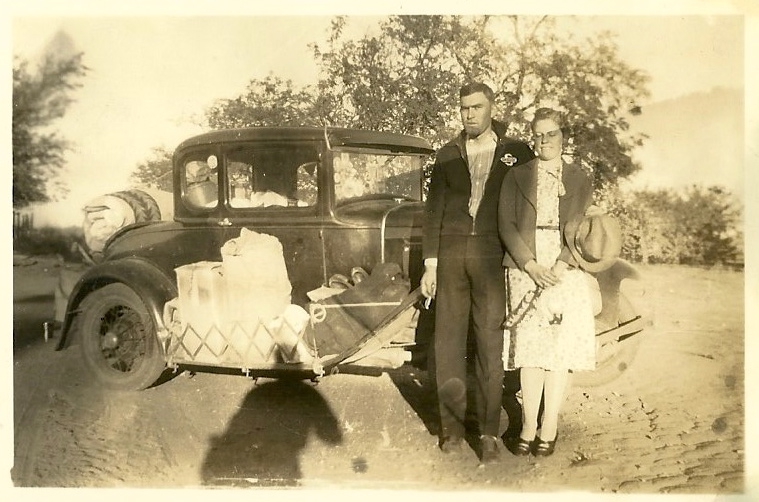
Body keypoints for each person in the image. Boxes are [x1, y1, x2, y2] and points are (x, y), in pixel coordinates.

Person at [421, 82, 534, 463]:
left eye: (477, 107)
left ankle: (487, 434)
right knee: (448, 346)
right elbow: (433, 210)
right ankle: (451, 431)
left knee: (489, 345)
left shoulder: (516, 152)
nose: (470, 114)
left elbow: (529, 203)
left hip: (491, 255)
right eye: (464, 108)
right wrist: (430, 264)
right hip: (451, 255)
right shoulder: (446, 155)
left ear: (491, 108)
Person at [498, 107, 597, 457]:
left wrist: (561, 263)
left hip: (565, 267)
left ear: (562, 137)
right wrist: (530, 265)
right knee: (531, 352)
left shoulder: (580, 178)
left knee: (558, 352)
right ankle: (527, 425)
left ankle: (550, 426)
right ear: (533, 138)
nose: (544, 141)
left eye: (551, 133)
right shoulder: (516, 176)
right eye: (538, 135)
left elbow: (582, 226)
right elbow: (506, 225)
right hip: (526, 266)